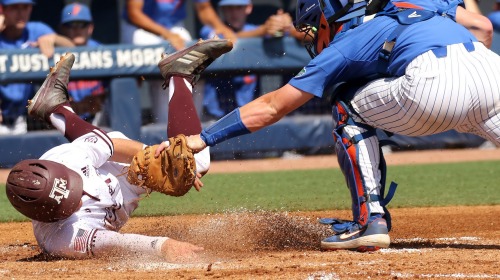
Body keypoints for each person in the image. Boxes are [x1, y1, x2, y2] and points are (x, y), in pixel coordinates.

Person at [173, 0, 499, 252]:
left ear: (329, 18)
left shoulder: (349, 40)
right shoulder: (415, 3)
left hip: (432, 87)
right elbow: (483, 26)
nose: (312, 36)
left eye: (314, 28)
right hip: (489, 72)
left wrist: (203, 139)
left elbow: (273, 107)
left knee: (347, 104)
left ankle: (371, 220)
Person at [5, 39, 233, 261]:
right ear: (49, 216)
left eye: (74, 188)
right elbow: (115, 243)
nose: (80, 198)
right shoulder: (62, 239)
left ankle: (179, 75)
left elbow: (112, 144)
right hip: (120, 196)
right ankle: (55, 108)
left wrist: (161, 157)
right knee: (193, 165)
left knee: (191, 163)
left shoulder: (64, 159)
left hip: (109, 167)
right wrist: (162, 245)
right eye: (71, 203)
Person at [121, 0, 237, 124]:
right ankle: (164, 128)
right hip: (140, 28)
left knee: (196, 63)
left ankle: (193, 127)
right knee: (163, 73)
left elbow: (204, 8)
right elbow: (134, 14)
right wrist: (167, 34)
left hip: (174, 25)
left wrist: (220, 27)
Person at [200, 0, 295, 120]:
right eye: (229, 8)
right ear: (222, 10)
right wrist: (263, 30)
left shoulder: (254, 28)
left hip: (249, 114)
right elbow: (228, 38)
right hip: (215, 115)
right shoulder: (211, 29)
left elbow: (281, 32)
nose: (233, 12)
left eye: (238, 7)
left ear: (248, 8)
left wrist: (282, 24)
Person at [0, 0, 59, 135]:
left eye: (25, 7)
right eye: (14, 7)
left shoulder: (35, 29)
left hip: (19, 118)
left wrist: (53, 39)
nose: (21, 13)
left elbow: (72, 46)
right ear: (3, 10)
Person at [58, 2, 108, 124]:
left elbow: (114, 90)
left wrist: (96, 100)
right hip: (66, 117)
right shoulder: (55, 55)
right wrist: (70, 104)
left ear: (90, 28)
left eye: (82, 24)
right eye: (71, 25)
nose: (77, 29)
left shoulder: (103, 52)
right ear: (63, 28)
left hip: (97, 115)